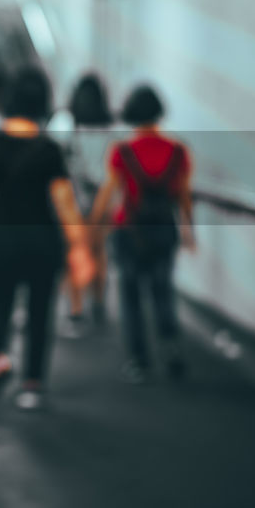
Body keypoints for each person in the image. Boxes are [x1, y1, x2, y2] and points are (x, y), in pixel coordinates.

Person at [0, 66, 93, 410]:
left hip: (2, 240)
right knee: (39, 311)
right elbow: (65, 204)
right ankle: (32, 384)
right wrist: (80, 249)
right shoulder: (49, 150)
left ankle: (1, 356)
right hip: (43, 243)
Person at [90, 84, 195, 384]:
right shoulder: (178, 150)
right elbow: (184, 195)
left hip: (129, 232)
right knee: (163, 290)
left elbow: (109, 192)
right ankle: (171, 345)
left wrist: (95, 224)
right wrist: (188, 232)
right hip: (164, 230)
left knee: (131, 295)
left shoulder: (122, 151)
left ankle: (139, 361)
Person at [63, 71, 118, 332]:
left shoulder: (70, 125)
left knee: (75, 252)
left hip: (75, 200)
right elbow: (113, 170)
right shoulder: (110, 129)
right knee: (100, 253)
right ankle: (98, 304)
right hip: (102, 201)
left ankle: (76, 309)